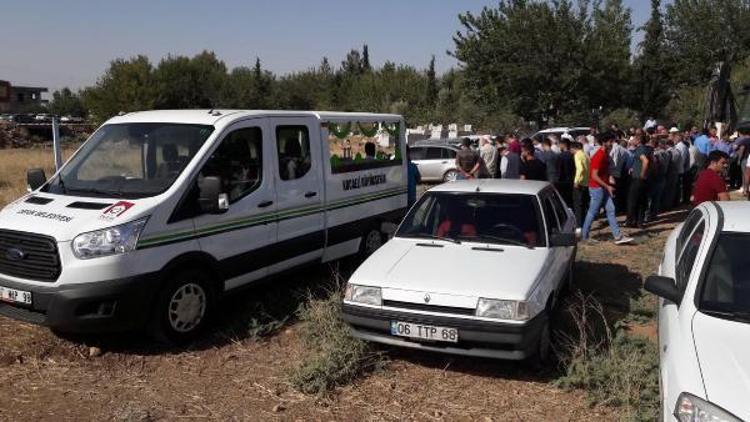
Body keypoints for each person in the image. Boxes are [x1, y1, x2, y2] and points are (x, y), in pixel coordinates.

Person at [581, 132, 633, 244]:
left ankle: (618, 237)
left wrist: (609, 180)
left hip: (602, 187)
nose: (612, 144)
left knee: (611, 210)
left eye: (612, 141)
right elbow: (594, 175)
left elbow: (604, 172)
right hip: (597, 188)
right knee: (593, 212)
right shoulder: (599, 155)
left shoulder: (605, 154)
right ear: (604, 142)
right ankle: (584, 236)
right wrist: (607, 186)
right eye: (610, 141)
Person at [626, 134, 651, 227]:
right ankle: (639, 222)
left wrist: (642, 174)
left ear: (638, 140)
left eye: (634, 139)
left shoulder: (640, 149)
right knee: (641, 201)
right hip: (643, 179)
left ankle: (630, 221)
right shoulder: (646, 149)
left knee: (633, 200)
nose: (632, 140)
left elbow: (645, 161)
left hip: (638, 179)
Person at [608, 134, 630, 213]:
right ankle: (619, 208)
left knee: (614, 194)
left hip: (614, 174)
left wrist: (610, 174)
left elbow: (614, 162)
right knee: (618, 193)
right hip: (619, 173)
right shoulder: (624, 150)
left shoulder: (616, 149)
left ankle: (615, 209)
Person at [572, 141, 589, 230]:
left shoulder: (577, 155)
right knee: (583, 205)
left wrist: (576, 181)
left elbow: (580, 169)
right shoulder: (586, 155)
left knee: (577, 205)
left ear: (574, 148)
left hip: (580, 183)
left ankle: (579, 226)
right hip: (586, 183)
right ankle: (584, 223)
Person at [557, 138, 575, 208]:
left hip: (563, 181)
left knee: (565, 200)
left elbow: (559, 170)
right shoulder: (573, 154)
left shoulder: (561, 156)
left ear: (563, 145)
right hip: (572, 180)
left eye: (559, 144)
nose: (559, 146)